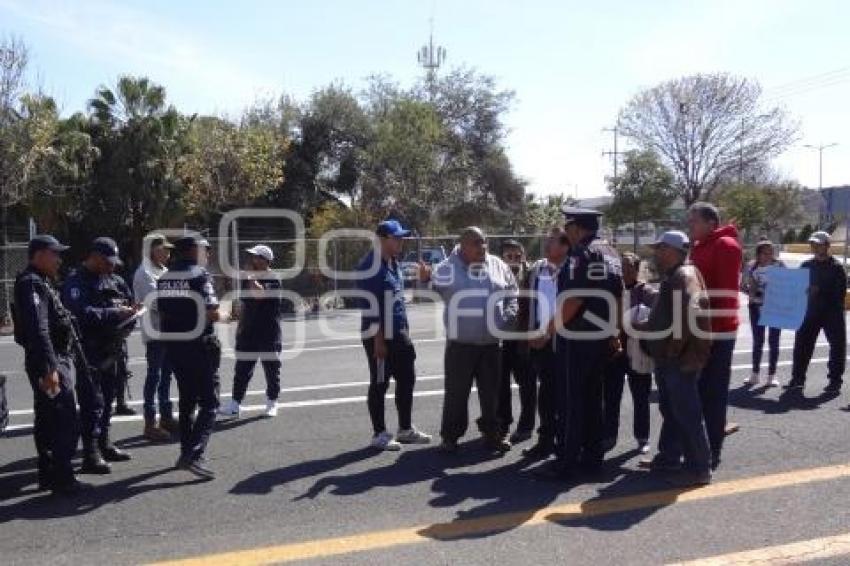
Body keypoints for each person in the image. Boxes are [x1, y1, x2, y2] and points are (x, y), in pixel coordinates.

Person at [533, 207, 624, 480]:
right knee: (593, 399)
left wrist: (547, 332)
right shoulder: (611, 254)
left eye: (568, 227)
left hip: (576, 338)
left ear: (575, 228)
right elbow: (619, 296)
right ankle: (592, 458)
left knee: (571, 400)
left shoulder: (581, 254)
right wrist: (614, 332)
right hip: (600, 337)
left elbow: (573, 300)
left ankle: (566, 462)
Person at [419, 226, 518, 453]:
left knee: (492, 394)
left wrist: (508, 317)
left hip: (492, 344)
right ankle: (450, 437)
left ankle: (493, 434)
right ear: (462, 246)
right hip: (460, 346)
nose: (482, 247)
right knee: (456, 394)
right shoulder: (447, 268)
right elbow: (427, 293)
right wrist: (424, 281)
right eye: (476, 243)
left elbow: (512, 292)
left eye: (484, 242)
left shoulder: (498, 265)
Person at [12, 235, 90, 495]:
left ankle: (49, 474)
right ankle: (62, 477)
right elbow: (39, 329)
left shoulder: (40, 281)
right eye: (54, 253)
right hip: (51, 360)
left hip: (52, 358)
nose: (59, 259)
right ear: (38, 255)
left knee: (47, 418)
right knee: (63, 417)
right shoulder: (31, 283)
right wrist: (50, 368)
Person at [639, 231, 713, 487]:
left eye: (660, 249)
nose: (656, 253)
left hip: (679, 359)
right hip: (670, 358)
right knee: (671, 411)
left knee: (687, 414)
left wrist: (674, 347)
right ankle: (669, 458)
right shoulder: (675, 276)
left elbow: (690, 311)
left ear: (671, 251)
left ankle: (699, 469)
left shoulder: (684, 275)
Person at [355, 220, 432, 450]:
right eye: (396, 237)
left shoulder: (393, 263)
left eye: (401, 237)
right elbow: (370, 306)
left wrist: (423, 279)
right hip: (379, 336)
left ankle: (405, 429)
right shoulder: (369, 266)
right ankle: (379, 434)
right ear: (382, 239)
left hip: (399, 334)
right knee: (379, 383)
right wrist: (378, 340)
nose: (401, 241)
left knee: (407, 379)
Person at [62, 237, 137, 471]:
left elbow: (129, 304)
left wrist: (131, 315)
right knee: (92, 401)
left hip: (114, 348)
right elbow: (80, 314)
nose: (111, 266)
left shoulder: (115, 280)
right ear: (94, 257)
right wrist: (115, 314)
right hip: (90, 351)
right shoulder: (76, 282)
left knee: (109, 399)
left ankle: (104, 443)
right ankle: (90, 452)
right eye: (107, 261)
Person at [157, 235, 222, 479]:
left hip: (174, 346)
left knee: (186, 400)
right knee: (210, 402)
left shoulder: (165, 278)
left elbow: (163, 312)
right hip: (198, 345)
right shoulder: (200, 275)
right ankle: (192, 455)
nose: (207, 253)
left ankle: (185, 451)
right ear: (194, 250)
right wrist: (225, 314)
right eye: (205, 249)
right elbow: (212, 311)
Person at [687, 202, 742, 471]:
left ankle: (713, 451)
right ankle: (698, 448)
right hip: (700, 330)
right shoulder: (699, 247)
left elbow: (725, 295)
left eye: (694, 221)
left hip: (717, 332)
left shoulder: (726, 246)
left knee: (714, 392)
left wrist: (708, 332)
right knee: (697, 391)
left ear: (711, 223)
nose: (690, 226)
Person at [219, 245, 285, 419]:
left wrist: (250, 277)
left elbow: (260, 295)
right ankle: (235, 404)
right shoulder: (247, 279)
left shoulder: (273, 278)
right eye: (252, 257)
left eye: (257, 257)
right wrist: (240, 325)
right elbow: (245, 304)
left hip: (268, 333)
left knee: (271, 370)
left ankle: (272, 402)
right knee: (241, 370)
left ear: (266, 260)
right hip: (248, 332)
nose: (252, 260)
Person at [521, 226, 570, 460]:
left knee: (566, 395)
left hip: (563, 343)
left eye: (552, 241)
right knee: (546, 395)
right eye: (547, 240)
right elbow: (528, 303)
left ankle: (566, 443)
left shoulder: (573, 270)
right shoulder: (537, 268)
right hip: (539, 343)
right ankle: (545, 440)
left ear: (565, 246)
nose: (546, 244)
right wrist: (530, 333)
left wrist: (548, 334)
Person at [602, 252, 655, 455]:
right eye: (619, 267)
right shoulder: (610, 290)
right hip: (614, 352)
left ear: (636, 268)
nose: (622, 271)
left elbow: (657, 316)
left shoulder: (646, 291)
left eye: (627, 267)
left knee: (641, 396)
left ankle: (643, 438)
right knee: (611, 396)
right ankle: (609, 436)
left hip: (638, 351)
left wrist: (638, 324)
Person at [787, 231, 847, 393]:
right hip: (809, 313)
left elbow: (839, 295)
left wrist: (818, 292)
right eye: (813, 244)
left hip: (831, 313)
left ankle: (835, 381)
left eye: (819, 244)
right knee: (801, 345)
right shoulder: (806, 266)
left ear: (827, 246)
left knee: (837, 346)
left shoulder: (837, 268)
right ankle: (797, 378)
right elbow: (796, 289)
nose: (815, 247)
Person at [133, 233, 177, 441]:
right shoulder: (144, 273)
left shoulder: (164, 271)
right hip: (156, 331)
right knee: (154, 376)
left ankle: (166, 416)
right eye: (164, 249)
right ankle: (150, 423)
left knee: (166, 375)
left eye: (168, 249)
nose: (168, 253)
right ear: (152, 250)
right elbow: (157, 302)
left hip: (169, 330)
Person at [497, 239, 535, 443]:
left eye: (518, 256)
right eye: (509, 256)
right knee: (501, 383)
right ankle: (503, 423)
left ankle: (526, 425)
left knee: (527, 384)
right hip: (502, 338)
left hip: (525, 338)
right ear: (502, 259)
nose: (514, 260)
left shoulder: (533, 275)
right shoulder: (495, 275)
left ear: (524, 256)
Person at [742, 239, 784, 387]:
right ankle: (754, 374)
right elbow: (742, 286)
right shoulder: (751, 267)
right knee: (758, 341)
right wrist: (754, 293)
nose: (769, 255)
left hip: (775, 308)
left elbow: (788, 284)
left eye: (771, 252)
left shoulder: (780, 265)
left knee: (774, 341)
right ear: (758, 254)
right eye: (765, 253)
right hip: (755, 308)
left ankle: (772, 375)